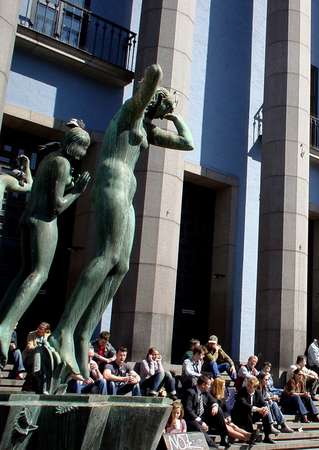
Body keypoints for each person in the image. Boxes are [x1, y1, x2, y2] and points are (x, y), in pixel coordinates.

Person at [49, 64, 194, 380]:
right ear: (152, 100)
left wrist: (173, 116)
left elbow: (187, 143)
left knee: (122, 265)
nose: (162, 112)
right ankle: (64, 330)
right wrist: (155, 82)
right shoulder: (131, 111)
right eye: (163, 106)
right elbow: (153, 77)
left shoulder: (148, 129)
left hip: (127, 193)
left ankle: (84, 333)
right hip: (112, 183)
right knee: (108, 255)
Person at [0, 124, 90, 368]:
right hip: (44, 223)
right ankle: (6, 327)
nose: (84, 154)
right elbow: (57, 206)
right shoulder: (63, 163)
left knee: (24, 272)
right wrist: (78, 192)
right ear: (76, 145)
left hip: (27, 219)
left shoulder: (50, 157)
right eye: (84, 148)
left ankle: (3, 321)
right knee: (39, 274)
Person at [210, 377, 256, 444]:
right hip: (214, 422)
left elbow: (225, 410)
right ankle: (246, 438)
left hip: (223, 420)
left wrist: (228, 416)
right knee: (229, 427)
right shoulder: (211, 397)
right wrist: (223, 419)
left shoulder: (222, 398)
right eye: (223, 385)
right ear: (218, 386)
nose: (224, 387)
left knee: (233, 426)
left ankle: (249, 435)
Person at [232, 377, 276, 444]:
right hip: (240, 416)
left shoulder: (258, 393)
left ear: (255, 388)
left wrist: (265, 409)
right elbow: (245, 405)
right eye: (247, 385)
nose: (248, 387)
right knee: (247, 411)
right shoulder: (242, 392)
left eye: (250, 386)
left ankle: (267, 437)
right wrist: (259, 409)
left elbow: (263, 403)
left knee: (266, 414)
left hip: (253, 415)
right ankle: (250, 437)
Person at [182, 374, 221, 448]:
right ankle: (214, 446)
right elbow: (188, 410)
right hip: (190, 420)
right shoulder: (190, 392)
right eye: (209, 385)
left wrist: (215, 406)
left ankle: (224, 435)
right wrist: (201, 422)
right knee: (198, 427)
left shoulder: (205, 392)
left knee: (219, 411)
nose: (210, 387)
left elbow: (213, 400)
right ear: (203, 385)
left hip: (201, 418)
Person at [23, 322, 53, 394]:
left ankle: (43, 387)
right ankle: (37, 374)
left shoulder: (48, 336)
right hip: (31, 356)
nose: (38, 329)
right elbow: (29, 347)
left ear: (46, 331)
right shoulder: (31, 334)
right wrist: (39, 348)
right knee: (39, 352)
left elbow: (51, 348)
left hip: (44, 359)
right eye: (39, 327)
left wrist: (45, 340)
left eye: (41, 329)